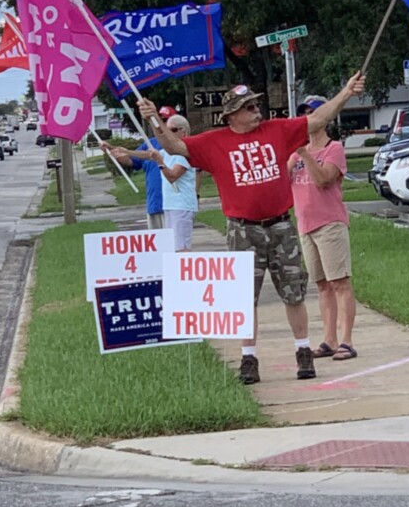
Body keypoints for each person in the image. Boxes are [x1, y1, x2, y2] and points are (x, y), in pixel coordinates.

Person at [137, 72, 366, 384]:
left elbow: (317, 120)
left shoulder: (278, 130)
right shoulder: (214, 142)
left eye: (256, 104)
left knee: (293, 292)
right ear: (231, 115)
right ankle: (249, 358)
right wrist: (154, 120)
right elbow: (174, 145)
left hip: (281, 224)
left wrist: (346, 92)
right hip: (242, 229)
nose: (256, 110)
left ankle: (302, 351)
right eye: (248, 107)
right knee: (244, 298)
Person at [288, 95, 357, 361]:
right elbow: (283, 182)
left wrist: (305, 152)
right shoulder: (295, 153)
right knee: (322, 285)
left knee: (339, 282)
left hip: (329, 223)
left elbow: (324, 180)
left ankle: (347, 340)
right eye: (304, 113)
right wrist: (293, 156)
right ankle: (329, 339)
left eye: (313, 112)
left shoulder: (333, 148)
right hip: (305, 224)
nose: (308, 117)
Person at [101, 105, 176, 229]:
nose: (161, 124)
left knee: (175, 245)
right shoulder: (150, 143)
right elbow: (130, 160)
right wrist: (109, 149)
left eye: (165, 120)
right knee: (157, 245)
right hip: (154, 204)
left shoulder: (178, 145)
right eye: (159, 120)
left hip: (173, 206)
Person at [142, 114, 197, 251]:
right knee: (172, 246)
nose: (167, 134)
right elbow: (150, 154)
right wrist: (125, 151)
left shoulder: (186, 153)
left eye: (171, 130)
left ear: (182, 132)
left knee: (181, 247)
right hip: (170, 205)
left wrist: (160, 162)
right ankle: (176, 271)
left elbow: (173, 176)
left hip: (182, 205)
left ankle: (184, 272)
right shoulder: (169, 152)